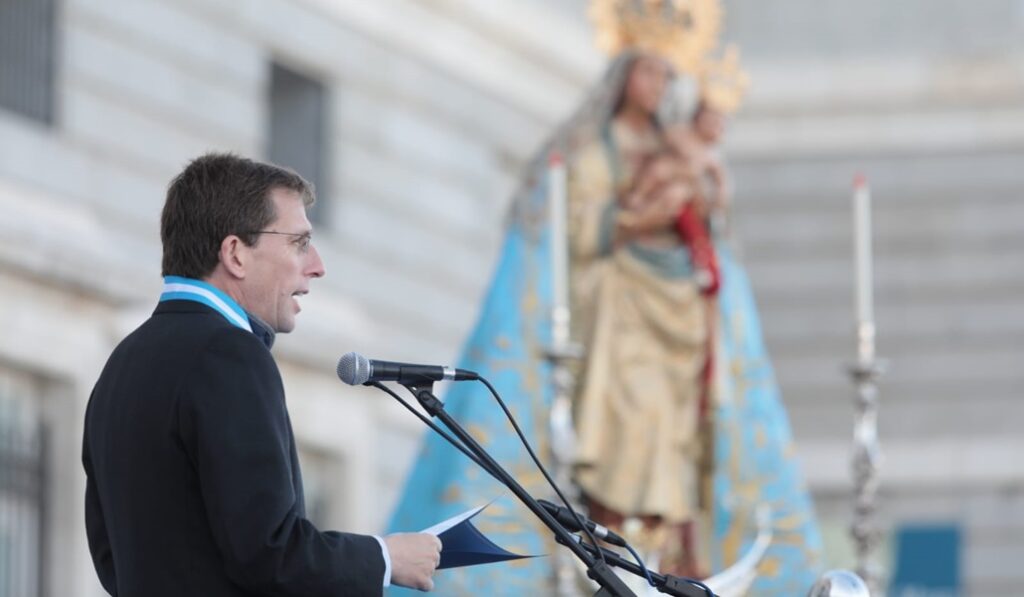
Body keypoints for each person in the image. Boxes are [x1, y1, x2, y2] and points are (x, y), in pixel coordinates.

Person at [82, 153, 442, 597]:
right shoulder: (230, 355)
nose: (317, 265)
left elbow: (109, 556)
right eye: (299, 243)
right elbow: (269, 554)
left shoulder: (122, 363)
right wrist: (386, 558)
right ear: (235, 253)